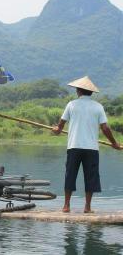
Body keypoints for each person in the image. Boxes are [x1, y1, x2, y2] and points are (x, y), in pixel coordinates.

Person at [52, 76, 122, 213]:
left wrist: (56, 130)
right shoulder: (98, 107)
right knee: (91, 176)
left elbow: (60, 126)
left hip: (74, 147)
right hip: (91, 149)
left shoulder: (71, 104)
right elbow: (105, 128)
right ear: (91, 92)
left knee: (70, 175)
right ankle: (87, 207)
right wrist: (114, 143)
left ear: (78, 91)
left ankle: (66, 206)